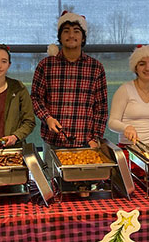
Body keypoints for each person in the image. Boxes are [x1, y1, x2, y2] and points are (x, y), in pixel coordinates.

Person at [31, 10, 108, 162]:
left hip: (85, 143)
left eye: (76, 31)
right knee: (52, 183)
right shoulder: (46, 65)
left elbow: (101, 108)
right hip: (53, 142)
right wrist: (47, 118)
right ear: (59, 36)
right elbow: (35, 98)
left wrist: (95, 138)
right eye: (66, 31)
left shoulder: (96, 68)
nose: (71, 35)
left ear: (83, 37)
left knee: (84, 185)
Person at [108, 45, 149, 148]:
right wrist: (125, 128)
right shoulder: (124, 90)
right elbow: (112, 122)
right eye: (142, 64)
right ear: (135, 68)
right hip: (129, 148)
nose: (147, 68)